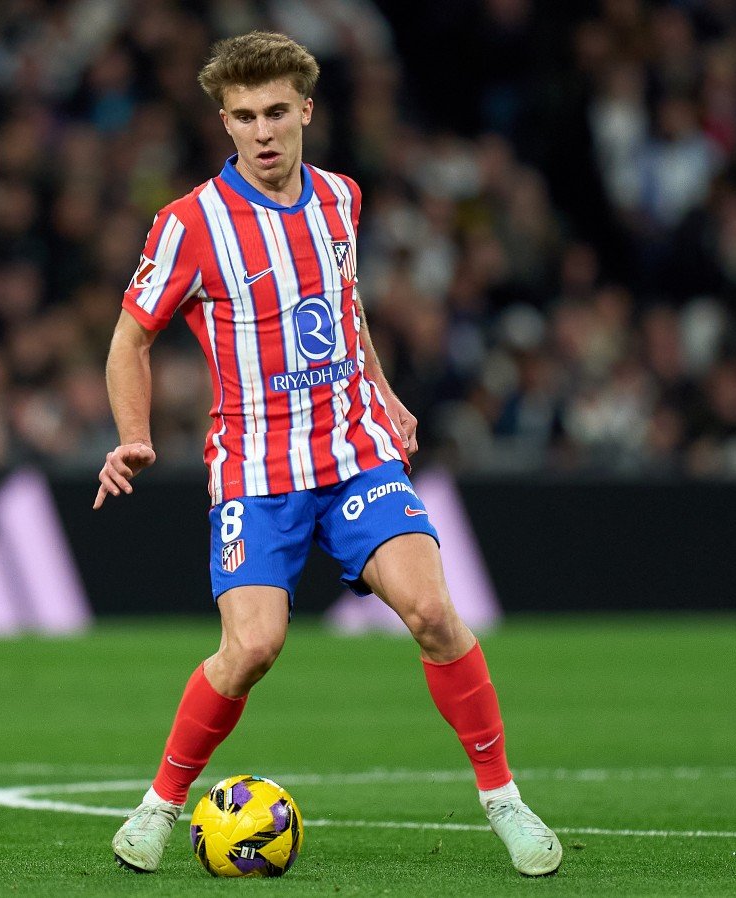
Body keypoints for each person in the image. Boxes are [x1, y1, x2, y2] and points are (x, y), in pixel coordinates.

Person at [94, 31, 562, 878]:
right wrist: (134, 433)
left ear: (306, 110)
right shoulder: (189, 225)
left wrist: (380, 391)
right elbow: (129, 341)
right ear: (225, 124)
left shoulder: (342, 198)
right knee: (253, 649)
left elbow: (341, 308)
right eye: (243, 117)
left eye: (276, 112)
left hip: (353, 452)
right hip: (257, 472)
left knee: (432, 613)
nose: (262, 131)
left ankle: (504, 800)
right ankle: (160, 806)